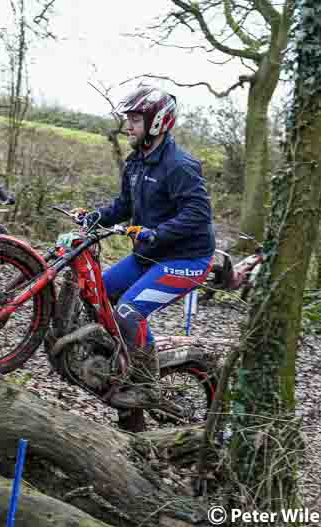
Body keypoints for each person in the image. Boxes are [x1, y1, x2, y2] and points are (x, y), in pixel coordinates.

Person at [75, 86, 216, 410]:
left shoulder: (179, 165)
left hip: (187, 259)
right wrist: (96, 216)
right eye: (128, 119)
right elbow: (124, 205)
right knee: (97, 291)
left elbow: (198, 216)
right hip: (149, 254)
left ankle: (147, 383)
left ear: (156, 123)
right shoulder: (136, 162)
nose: (128, 126)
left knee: (128, 311)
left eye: (135, 119)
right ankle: (116, 358)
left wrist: (158, 232)